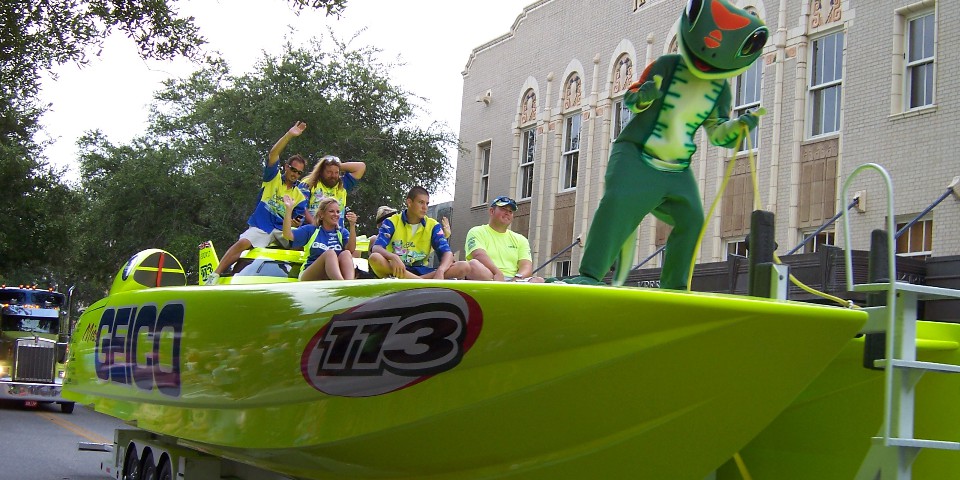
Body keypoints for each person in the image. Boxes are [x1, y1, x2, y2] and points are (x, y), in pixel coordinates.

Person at [565, 0, 767, 289]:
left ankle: (674, 287)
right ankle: (589, 275)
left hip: (676, 171)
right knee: (617, 203)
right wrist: (645, 95)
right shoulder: (666, 65)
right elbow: (632, 101)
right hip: (636, 157)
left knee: (692, 219)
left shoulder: (720, 91)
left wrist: (740, 125)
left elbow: (718, 133)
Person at [208, 121, 310, 284]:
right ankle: (216, 275)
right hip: (262, 225)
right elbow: (273, 154)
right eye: (293, 169)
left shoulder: (300, 195)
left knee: (304, 243)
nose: (295, 174)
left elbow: (296, 224)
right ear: (286, 167)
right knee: (243, 243)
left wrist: (294, 223)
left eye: (299, 172)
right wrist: (289, 135)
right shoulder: (273, 178)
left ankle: (302, 280)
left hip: (281, 230)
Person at [368, 186, 469, 280]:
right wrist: (393, 257)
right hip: (396, 268)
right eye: (421, 202)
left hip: (421, 271)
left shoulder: (433, 225)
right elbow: (377, 247)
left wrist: (441, 271)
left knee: (464, 266)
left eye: (427, 203)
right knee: (375, 258)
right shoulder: (391, 222)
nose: (425, 207)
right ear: (409, 202)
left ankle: (411, 280)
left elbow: (447, 253)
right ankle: (420, 282)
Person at [465, 196, 543, 282]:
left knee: (539, 280)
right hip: (488, 276)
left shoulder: (521, 239)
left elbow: (526, 266)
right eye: (503, 209)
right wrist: (497, 273)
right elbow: (479, 255)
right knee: (473, 264)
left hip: (514, 281)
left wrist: (516, 279)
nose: (507, 213)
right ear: (491, 211)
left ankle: (509, 289)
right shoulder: (476, 231)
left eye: (510, 211)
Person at [282, 195, 357, 281]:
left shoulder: (341, 232)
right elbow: (287, 235)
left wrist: (352, 225)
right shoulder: (311, 229)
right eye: (331, 211)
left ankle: (349, 283)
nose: (336, 215)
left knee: (346, 253)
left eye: (338, 212)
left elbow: (351, 249)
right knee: (330, 254)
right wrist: (288, 210)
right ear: (321, 215)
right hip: (310, 275)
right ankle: (341, 284)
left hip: (329, 277)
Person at [300, 155, 365, 226]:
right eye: (329, 172)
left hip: (336, 233)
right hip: (312, 230)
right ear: (321, 171)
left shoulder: (342, 185)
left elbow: (361, 167)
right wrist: (315, 225)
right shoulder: (309, 183)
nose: (333, 175)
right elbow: (301, 206)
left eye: (336, 172)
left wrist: (337, 165)